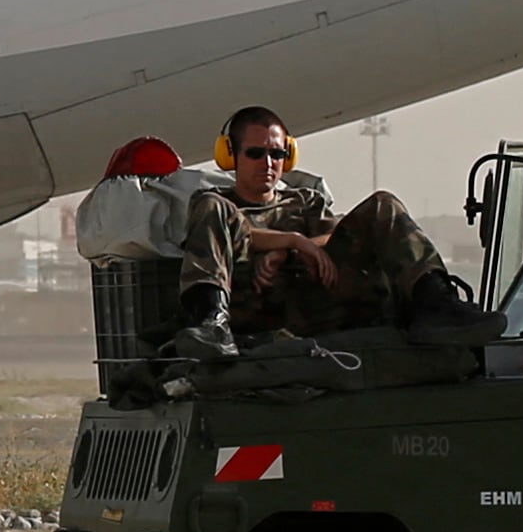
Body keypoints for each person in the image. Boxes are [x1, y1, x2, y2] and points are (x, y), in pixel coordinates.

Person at [173, 106, 469, 354]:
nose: (268, 163)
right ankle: (212, 323)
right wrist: (293, 239)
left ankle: (435, 304)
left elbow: (335, 233)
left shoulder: (305, 202)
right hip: (252, 312)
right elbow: (241, 231)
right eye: (255, 153)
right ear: (230, 156)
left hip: (312, 309)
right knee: (214, 207)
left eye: (276, 154)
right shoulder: (215, 205)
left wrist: (286, 252)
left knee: (384, 204)